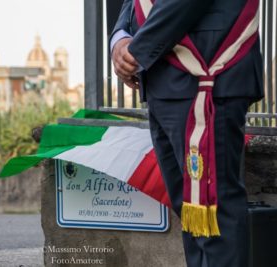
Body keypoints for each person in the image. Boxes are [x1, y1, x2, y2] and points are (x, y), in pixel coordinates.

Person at [111, 0, 263, 266]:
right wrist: (120, 39)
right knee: (190, 210)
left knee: (214, 211)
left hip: (209, 73)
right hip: (163, 81)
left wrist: (137, 50)